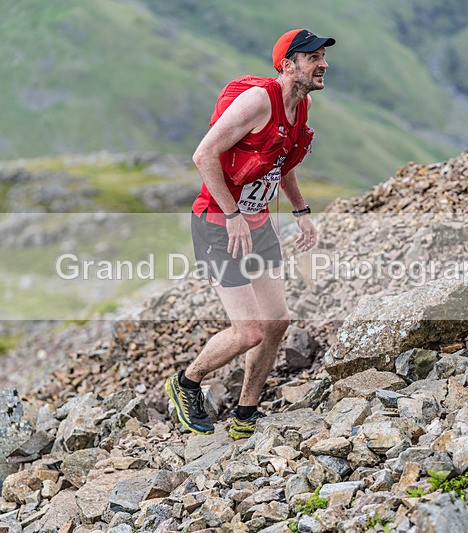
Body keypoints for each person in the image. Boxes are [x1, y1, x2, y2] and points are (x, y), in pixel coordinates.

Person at [165, 28, 335, 439]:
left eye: (322, 57)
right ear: (288, 64)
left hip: (256, 225)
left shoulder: (301, 107)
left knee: (277, 322)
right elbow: (203, 155)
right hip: (217, 225)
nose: (324, 64)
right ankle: (186, 384)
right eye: (313, 57)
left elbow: (283, 164)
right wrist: (232, 213)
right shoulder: (259, 101)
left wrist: (302, 212)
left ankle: (245, 413)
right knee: (248, 331)